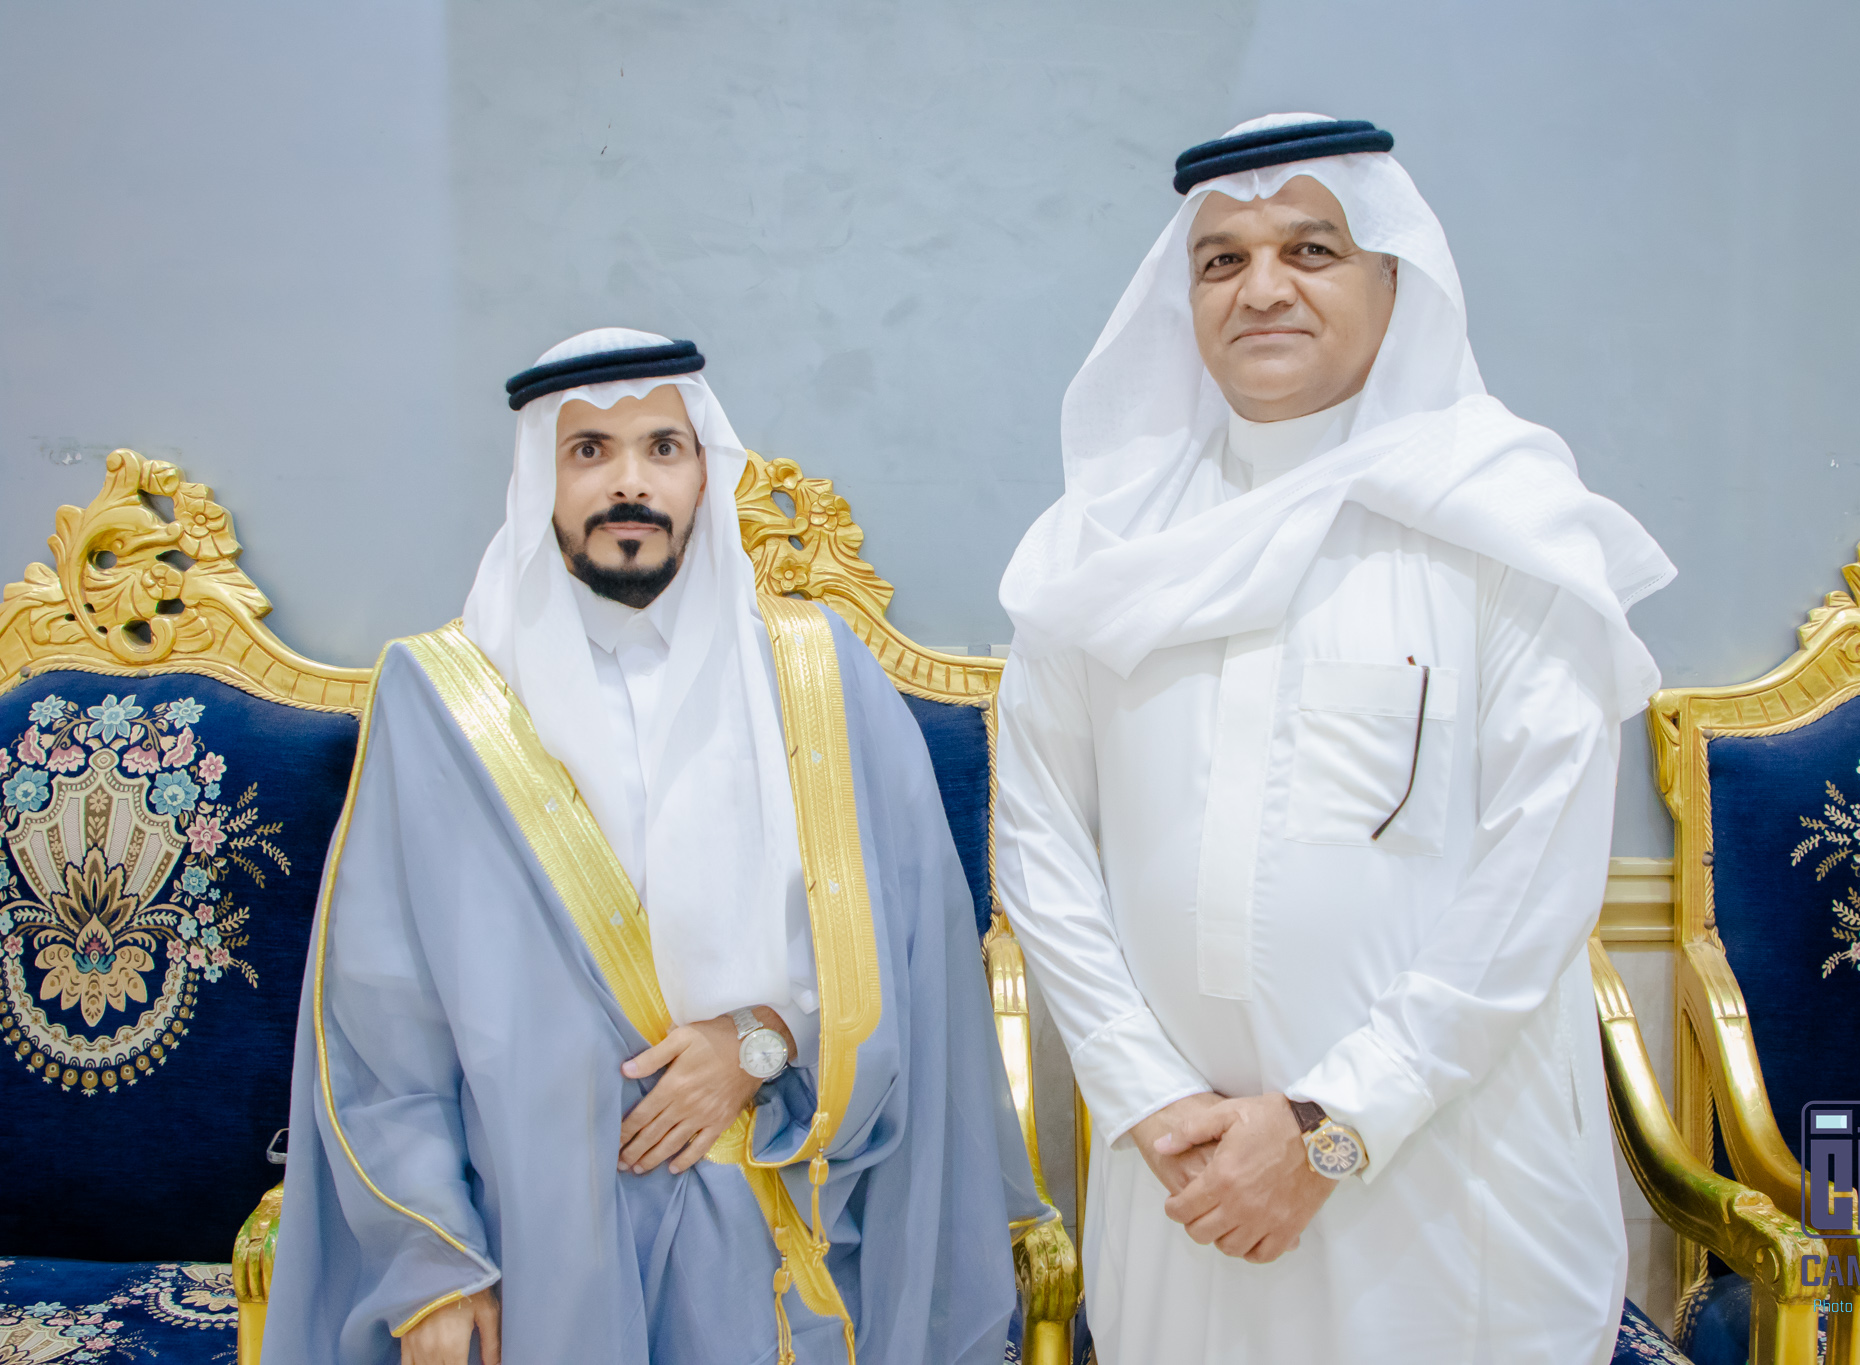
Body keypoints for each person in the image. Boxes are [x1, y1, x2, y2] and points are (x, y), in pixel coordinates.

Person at [993, 115, 1675, 1361]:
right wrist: (1147, 1096)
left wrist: (1330, 1127)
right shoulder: (1097, 549)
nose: (1260, 288)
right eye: (1221, 260)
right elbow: (1039, 841)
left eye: (1310, 250)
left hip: (1444, 1184)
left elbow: (1535, 878)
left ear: (1394, 281)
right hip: (1184, 1179)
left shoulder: (1506, 526)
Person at [265, 328, 1042, 1365]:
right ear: (540, 478)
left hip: (769, 1225)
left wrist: (758, 1042)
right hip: (531, 1249)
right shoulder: (443, 702)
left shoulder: (818, 678)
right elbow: (379, 1017)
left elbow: (909, 968)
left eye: (662, 448)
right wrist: (433, 1260)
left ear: (704, 472)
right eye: (588, 449)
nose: (628, 480)